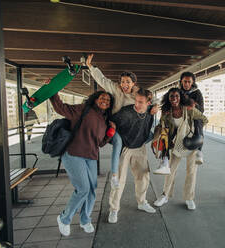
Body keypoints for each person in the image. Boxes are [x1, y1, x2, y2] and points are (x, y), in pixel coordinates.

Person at [86, 54, 158, 189]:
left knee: (150, 135)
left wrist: (155, 106)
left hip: (131, 129)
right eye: (123, 82)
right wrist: (91, 67)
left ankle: (135, 146)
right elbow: (102, 80)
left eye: (128, 82)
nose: (124, 85)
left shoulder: (138, 94)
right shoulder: (115, 88)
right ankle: (114, 176)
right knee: (118, 143)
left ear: (133, 83)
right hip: (116, 125)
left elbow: (152, 100)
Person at [50, 90, 115, 236]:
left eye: (108, 100)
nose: (105, 101)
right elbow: (61, 108)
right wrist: (53, 92)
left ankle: (85, 220)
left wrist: (110, 133)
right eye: (102, 98)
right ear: (95, 99)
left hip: (91, 156)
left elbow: (100, 143)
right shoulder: (83, 109)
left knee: (92, 189)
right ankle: (64, 218)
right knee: (83, 189)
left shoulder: (105, 119)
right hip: (73, 153)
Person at [154, 88, 208, 210]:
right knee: (170, 169)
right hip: (177, 144)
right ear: (168, 98)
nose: (174, 99)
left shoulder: (188, 110)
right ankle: (165, 195)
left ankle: (189, 198)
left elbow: (204, 119)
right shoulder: (167, 113)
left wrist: (196, 133)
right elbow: (164, 129)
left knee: (191, 172)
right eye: (171, 96)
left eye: (177, 96)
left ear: (181, 97)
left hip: (190, 144)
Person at [108, 88, 157, 223]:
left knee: (143, 176)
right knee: (119, 180)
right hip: (125, 147)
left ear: (148, 103)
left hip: (140, 147)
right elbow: (111, 121)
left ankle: (141, 202)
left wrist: (154, 108)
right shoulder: (126, 112)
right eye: (136, 101)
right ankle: (113, 209)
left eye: (141, 102)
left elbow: (148, 128)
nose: (137, 104)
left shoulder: (150, 112)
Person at [179, 72, 205, 164]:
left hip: (193, 117)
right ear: (181, 81)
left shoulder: (197, 93)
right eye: (185, 81)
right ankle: (165, 156)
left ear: (192, 82)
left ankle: (199, 151)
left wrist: (194, 106)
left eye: (189, 82)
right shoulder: (177, 92)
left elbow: (201, 109)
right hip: (181, 116)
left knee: (198, 121)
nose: (186, 84)